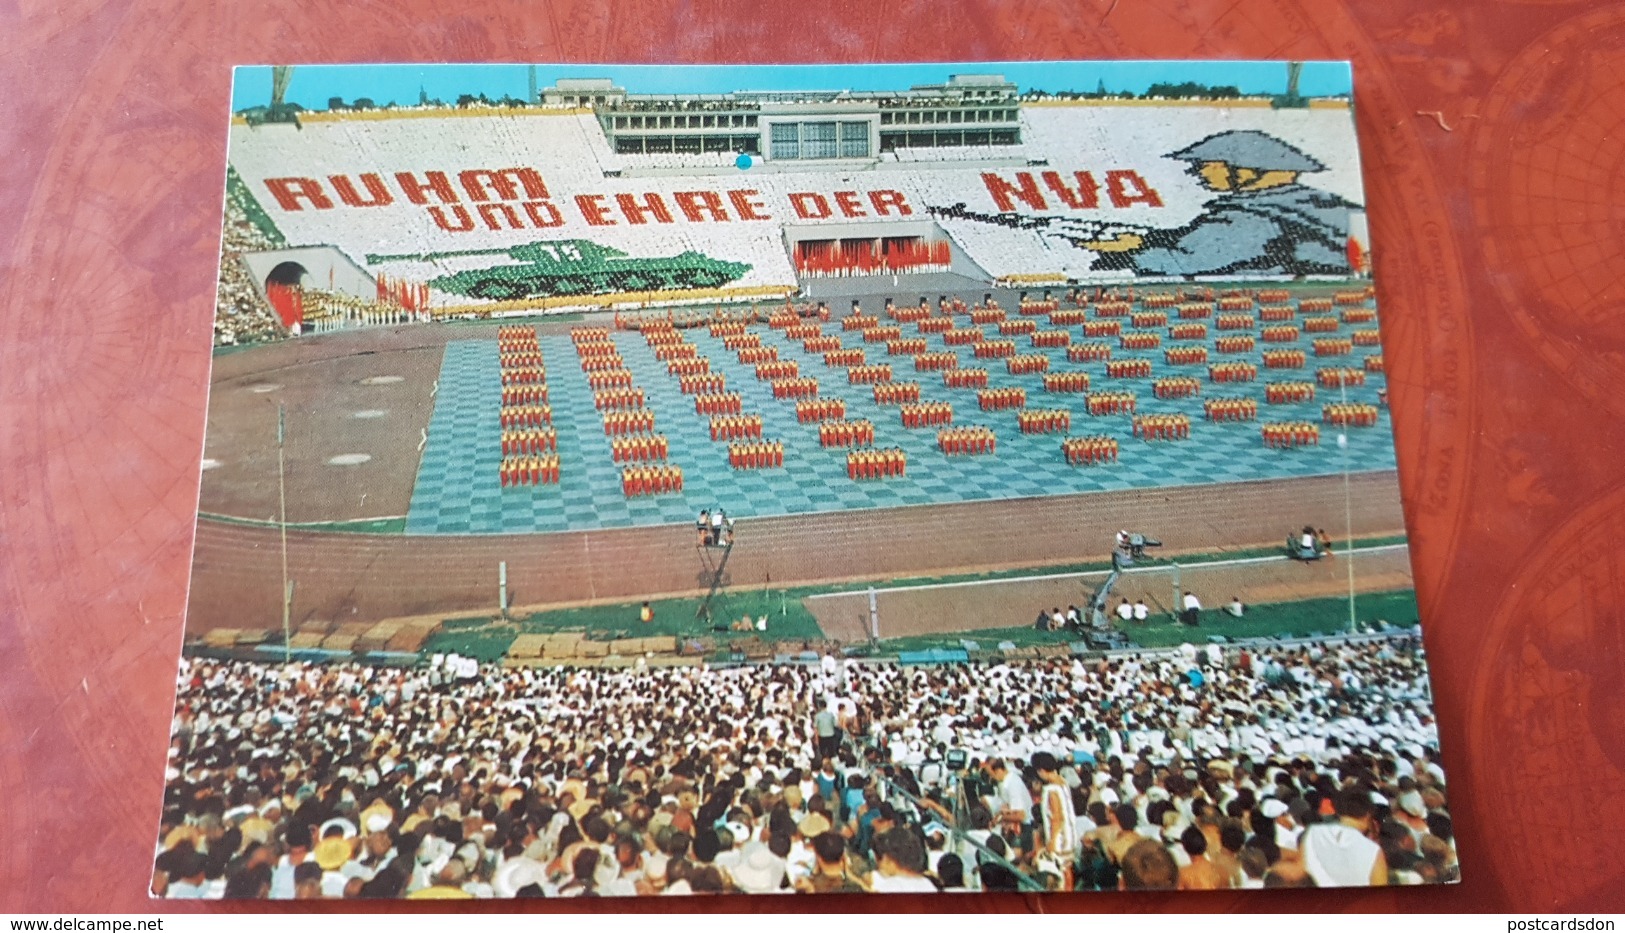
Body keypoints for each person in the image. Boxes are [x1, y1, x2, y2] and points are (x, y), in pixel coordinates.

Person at [1068, 130, 1359, 277]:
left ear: (1245, 170)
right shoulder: (1312, 204)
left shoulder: (1250, 218)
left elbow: (1184, 260)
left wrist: (1105, 259)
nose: (1199, 171)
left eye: (1209, 164)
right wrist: (1146, 239)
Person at [1033, 752, 1078, 890]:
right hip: (1070, 836)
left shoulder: (1051, 789)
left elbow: (1057, 817)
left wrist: (1052, 841)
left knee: (1057, 876)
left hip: (1059, 839)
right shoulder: (1063, 782)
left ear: (1041, 770)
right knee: (1067, 870)